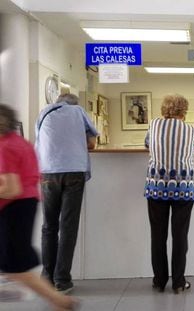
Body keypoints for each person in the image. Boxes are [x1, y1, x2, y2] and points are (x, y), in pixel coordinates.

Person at [0, 104, 78, 310]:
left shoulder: (6, 146)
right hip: (30, 200)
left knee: (17, 265)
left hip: (15, 206)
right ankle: (60, 290)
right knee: (66, 227)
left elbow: (11, 188)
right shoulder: (21, 143)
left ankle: (59, 298)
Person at [35, 93, 98, 294]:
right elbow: (92, 143)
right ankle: (62, 279)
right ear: (74, 103)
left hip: (48, 172)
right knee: (68, 226)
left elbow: (39, 140)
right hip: (73, 172)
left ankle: (46, 277)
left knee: (49, 226)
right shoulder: (78, 111)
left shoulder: (44, 112)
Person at [144, 94, 194, 294]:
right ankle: (178, 282)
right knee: (180, 235)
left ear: (164, 108)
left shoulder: (153, 125)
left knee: (157, 235)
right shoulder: (192, 130)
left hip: (156, 186)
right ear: (184, 110)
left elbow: (147, 146)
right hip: (184, 188)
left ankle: (159, 281)